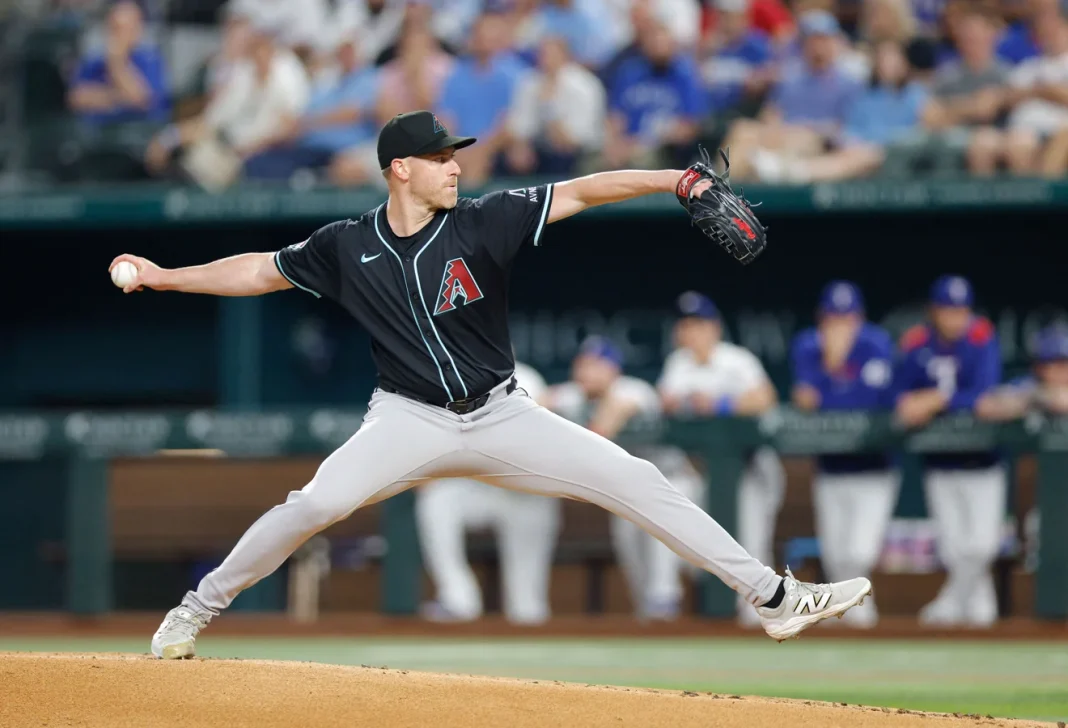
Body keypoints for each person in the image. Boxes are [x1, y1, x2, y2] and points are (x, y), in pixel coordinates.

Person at [109, 109, 871, 659]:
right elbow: (256, 270)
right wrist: (164, 276)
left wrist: (673, 178)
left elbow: (584, 189)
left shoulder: (484, 221)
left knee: (637, 479)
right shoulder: (345, 245)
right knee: (313, 504)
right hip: (409, 419)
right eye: (441, 157)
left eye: (456, 155)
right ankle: (192, 612)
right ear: (400, 168)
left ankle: (775, 599)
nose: (456, 165)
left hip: (504, 416)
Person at [543, 336, 702, 621]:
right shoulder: (574, 394)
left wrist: (588, 439)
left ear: (613, 370)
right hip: (630, 491)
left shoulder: (633, 388)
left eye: (596, 365)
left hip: (675, 481)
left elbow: (615, 411)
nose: (586, 372)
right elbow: (541, 401)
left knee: (661, 533)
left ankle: (665, 595)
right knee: (633, 554)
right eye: (582, 364)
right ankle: (653, 612)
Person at [656, 292, 783, 627]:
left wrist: (720, 404)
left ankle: (762, 618)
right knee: (688, 540)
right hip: (705, 471)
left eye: (697, 325)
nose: (690, 332)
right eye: (685, 325)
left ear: (713, 328)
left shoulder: (736, 360)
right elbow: (666, 401)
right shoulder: (677, 364)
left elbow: (765, 399)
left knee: (752, 541)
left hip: (751, 467)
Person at [415, 359, 560, 625]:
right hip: (479, 487)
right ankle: (458, 599)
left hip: (524, 491)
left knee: (526, 606)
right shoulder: (450, 379)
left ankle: (528, 616)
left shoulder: (525, 378)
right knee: (438, 498)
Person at [895, 275, 1004, 628]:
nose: (954, 317)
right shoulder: (917, 342)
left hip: (983, 461)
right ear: (934, 311)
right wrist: (912, 403)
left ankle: (949, 603)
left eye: (960, 310)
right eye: (947, 310)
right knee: (956, 548)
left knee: (982, 546)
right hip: (939, 461)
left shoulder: (981, 336)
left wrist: (938, 400)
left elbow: (985, 398)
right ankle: (979, 612)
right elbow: (899, 396)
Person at [790, 281, 898, 628]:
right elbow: (806, 402)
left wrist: (832, 376)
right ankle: (847, 620)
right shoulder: (808, 345)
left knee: (859, 554)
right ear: (822, 319)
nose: (839, 326)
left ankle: (863, 620)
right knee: (836, 558)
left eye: (847, 318)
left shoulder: (876, 343)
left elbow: (871, 406)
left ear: (860, 318)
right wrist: (832, 366)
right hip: (831, 469)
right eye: (833, 318)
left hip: (874, 469)